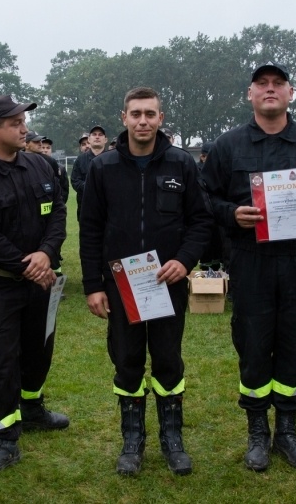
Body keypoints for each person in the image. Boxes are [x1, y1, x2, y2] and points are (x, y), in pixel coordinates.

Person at [202, 61, 296, 472]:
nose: (270, 89)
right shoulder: (228, 146)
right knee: (252, 345)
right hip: (252, 261)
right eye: (261, 84)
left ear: (290, 92)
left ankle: (286, 430)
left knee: (294, 345)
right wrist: (232, 214)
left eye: (277, 84)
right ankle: (257, 433)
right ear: (250, 94)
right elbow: (204, 199)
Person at [80, 87, 211, 476]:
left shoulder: (181, 164)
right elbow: (89, 229)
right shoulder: (102, 168)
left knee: (168, 359)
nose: (142, 121)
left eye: (149, 114)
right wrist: (93, 285)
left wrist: (184, 261)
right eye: (135, 113)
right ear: (124, 118)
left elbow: (200, 221)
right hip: (121, 286)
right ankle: (132, 440)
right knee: (128, 360)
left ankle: (173, 439)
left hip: (166, 283)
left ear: (161, 118)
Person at [0, 94, 68, 477]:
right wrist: (30, 265)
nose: (24, 128)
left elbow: (57, 212)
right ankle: (5, 439)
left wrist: (47, 252)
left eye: (23, 121)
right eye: (15, 122)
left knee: (39, 348)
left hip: (40, 280)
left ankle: (33, 408)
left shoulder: (40, 166)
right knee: (1, 360)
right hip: (0, 285)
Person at [71, 126, 107, 221]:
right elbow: (75, 181)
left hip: (107, 210)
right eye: (94, 134)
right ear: (89, 139)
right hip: (85, 208)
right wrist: (90, 187)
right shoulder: (80, 160)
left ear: (105, 140)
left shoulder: (112, 158)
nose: (97, 137)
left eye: (100, 134)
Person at [41, 136, 69, 204]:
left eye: (48, 148)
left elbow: (64, 189)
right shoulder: (33, 166)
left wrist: (60, 204)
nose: (45, 150)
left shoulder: (61, 168)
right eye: (43, 147)